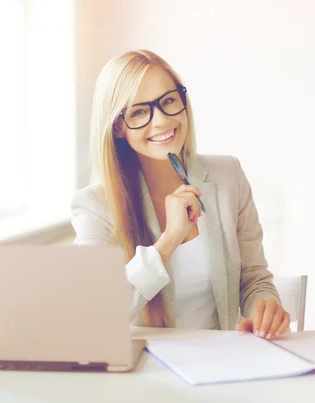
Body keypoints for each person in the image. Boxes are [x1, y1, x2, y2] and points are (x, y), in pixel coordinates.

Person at [70, 50, 290, 340]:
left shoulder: (228, 176)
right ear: (118, 127)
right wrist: (169, 240)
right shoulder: (94, 207)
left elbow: (254, 279)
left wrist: (264, 306)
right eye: (138, 111)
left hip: (224, 364)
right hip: (145, 374)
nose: (161, 121)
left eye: (169, 101)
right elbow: (93, 316)